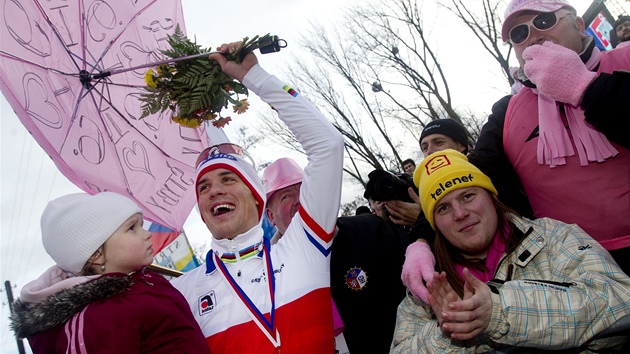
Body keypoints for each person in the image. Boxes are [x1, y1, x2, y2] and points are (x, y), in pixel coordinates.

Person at [171, 41, 344, 353]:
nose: (215, 191)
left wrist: (254, 75)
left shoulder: (303, 246)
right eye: (204, 187)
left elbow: (328, 145)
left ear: (256, 198)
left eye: (228, 179)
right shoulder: (180, 292)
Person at [390, 149, 630, 352]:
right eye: (443, 208)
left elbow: (621, 302)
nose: (460, 213)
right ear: (435, 225)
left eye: (468, 195)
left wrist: (501, 309)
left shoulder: (552, 236)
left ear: (491, 196)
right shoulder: (428, 285)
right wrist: (452, 328)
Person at [469, 0, 630, 274]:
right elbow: (471, 180)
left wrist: (584, 87)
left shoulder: (625, 56)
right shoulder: (507, 111)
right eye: (519, 34)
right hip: (581, 273)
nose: (533, 35)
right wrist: (421, 239)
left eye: (544, 21)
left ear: (578, 25)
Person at [10, 192, 209, 354]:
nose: (147, 233)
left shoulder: (149, 282)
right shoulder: (99, 319)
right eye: (132, 227)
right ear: (97, 254)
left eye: (141, 225)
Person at [263, 158, 414, 354]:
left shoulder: (369, 230)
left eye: (304, 190)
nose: (300, 199)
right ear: (271, 216)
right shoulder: (265, 277)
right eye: (285, 196)